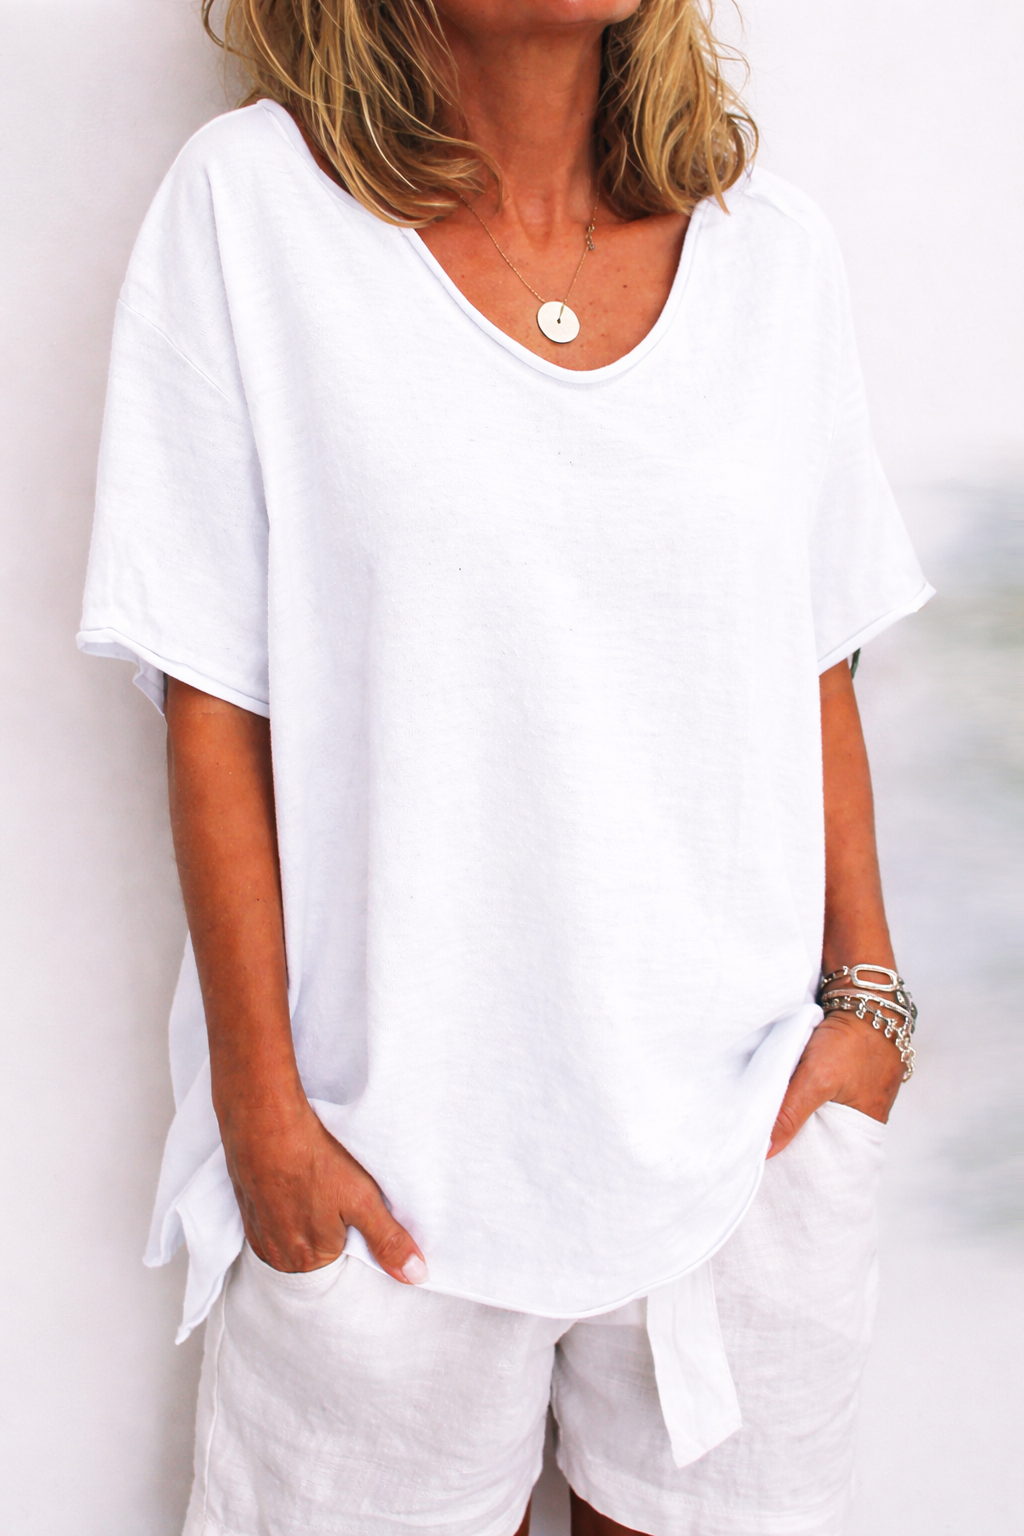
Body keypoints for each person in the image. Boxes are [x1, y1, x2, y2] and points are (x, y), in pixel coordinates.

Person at [78, 1, 933, 1532]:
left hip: (747, 1142)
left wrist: (867, 1008)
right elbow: (211, 698)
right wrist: (265, 1117)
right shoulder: (254, 212)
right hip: (382, 1164)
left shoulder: (768, 252)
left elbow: (814, 652)